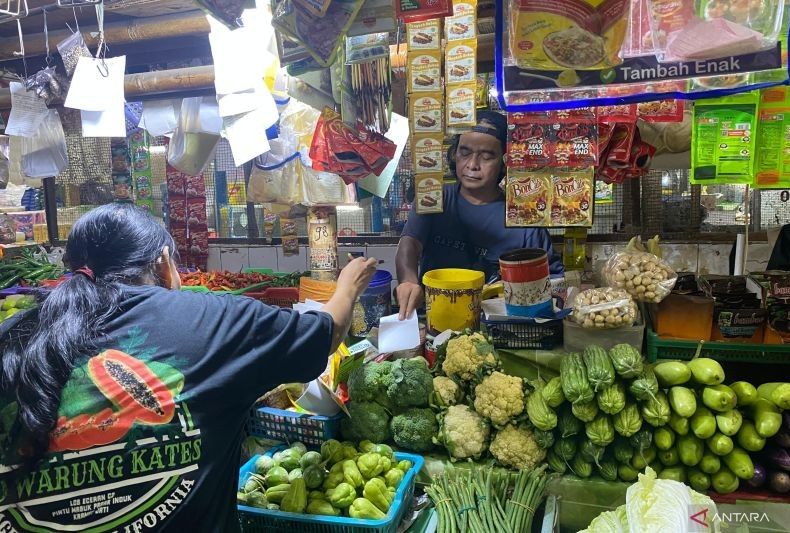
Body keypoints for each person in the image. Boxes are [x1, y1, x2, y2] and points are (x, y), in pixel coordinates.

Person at [0, 203, 376, 532]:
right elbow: (325, 333)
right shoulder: (209, 321)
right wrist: (347, 287)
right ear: (163, 264)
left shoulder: (12, 335)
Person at [396, 110, 564, 319]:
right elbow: (410, 243)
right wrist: (408, 280)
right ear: (453, 154)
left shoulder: (522, 215)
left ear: (504, 162)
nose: (472, 165)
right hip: (434, 322)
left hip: (500, 329)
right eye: (465, 152)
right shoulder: (435, 198)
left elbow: (555, 280)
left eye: (487, 156)